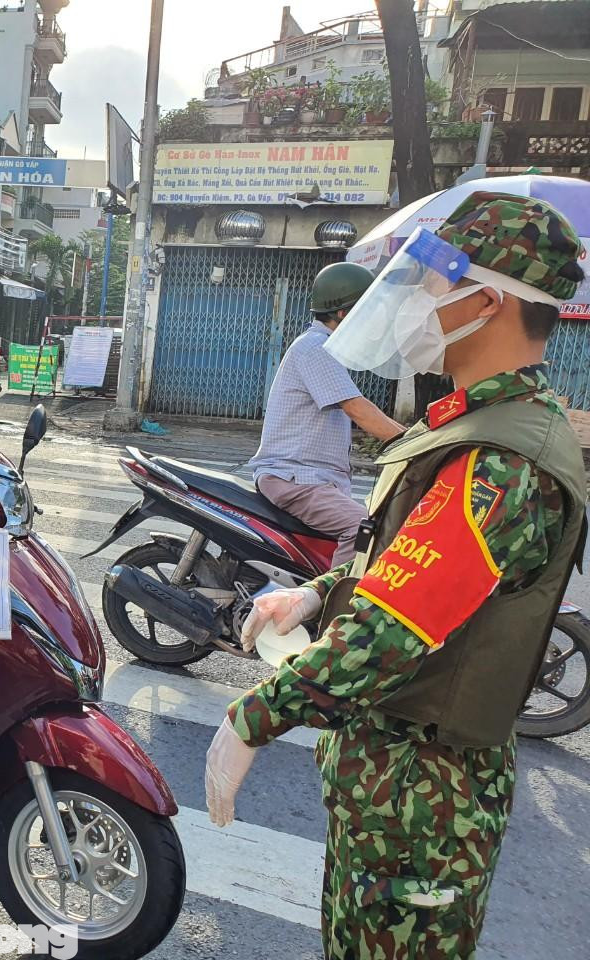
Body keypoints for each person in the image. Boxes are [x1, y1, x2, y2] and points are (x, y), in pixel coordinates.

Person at [206, 192, 587, 960]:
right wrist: (315, 594)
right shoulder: (473, 425)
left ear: (487, 302)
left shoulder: (501, 461)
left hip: (424, 811)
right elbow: (396, 561)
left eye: (434, 283)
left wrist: (256, 716)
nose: (417, 302)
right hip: (393, 792)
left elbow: (392, 630)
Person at [249, 261, 406, 564]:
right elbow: (357, 408)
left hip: (310, 479)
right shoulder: (316, 348)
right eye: (368, 311)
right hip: (295, 478)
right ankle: (333, 596)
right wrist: (415, 443)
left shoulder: (325, 348)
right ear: (344, 314)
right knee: (363, 528)